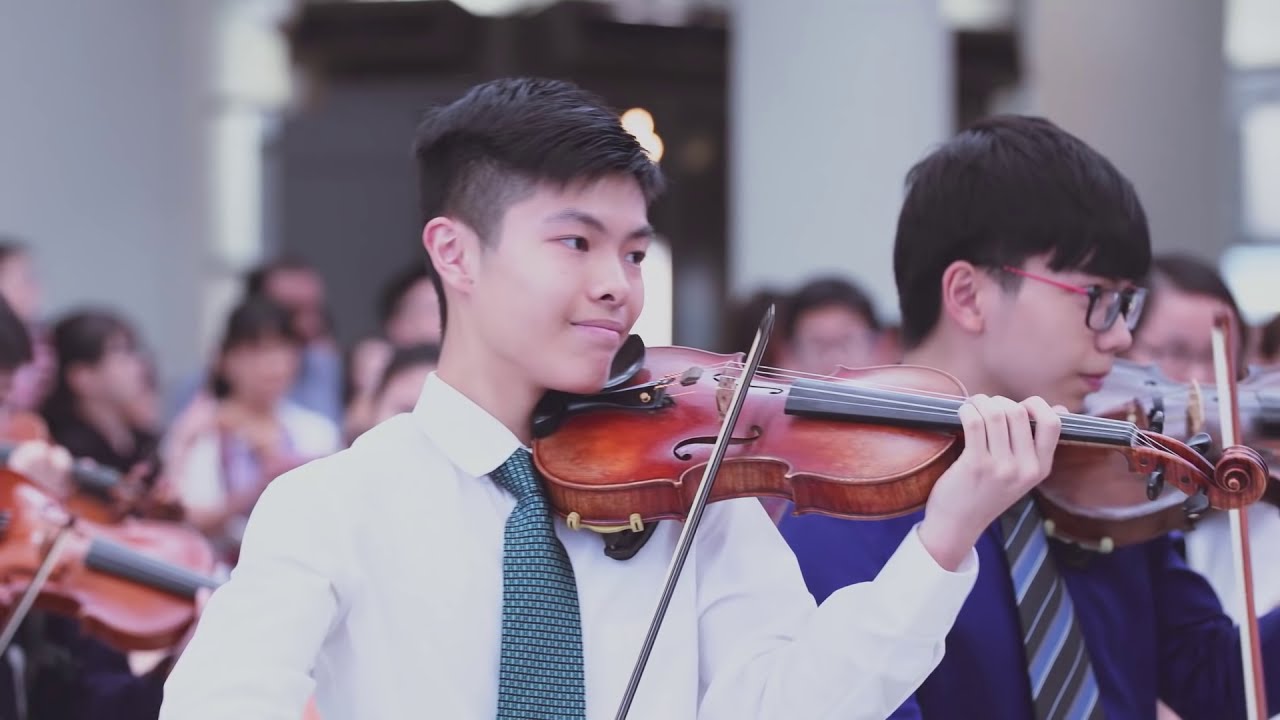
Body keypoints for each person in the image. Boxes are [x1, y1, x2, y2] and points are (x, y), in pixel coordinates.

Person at [160, 77, 1061, 720]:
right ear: (456, 253)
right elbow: (223, 701)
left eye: (632, 252)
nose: (617, 287)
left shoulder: (692, 491)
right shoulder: (333, 505)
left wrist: (943, 540)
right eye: (576, 242)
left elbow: (786, 704)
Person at [778, 114, 1280, 719]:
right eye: (1098, 299)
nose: (1121, 335)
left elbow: (1221, 682)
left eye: (1128, 303)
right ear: (968, 295)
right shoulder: (840, 507)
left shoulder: (1109, 482)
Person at [1120, 253, 1280, 627]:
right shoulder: (1091, 509)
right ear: (1120, 350)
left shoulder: (1256, 510)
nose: (1201, 381)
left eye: (1219, 358)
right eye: (1175, 353)